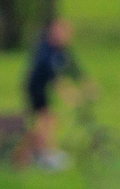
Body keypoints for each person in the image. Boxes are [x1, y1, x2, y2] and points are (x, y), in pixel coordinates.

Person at [21, 18, 82, 171]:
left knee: (47, 121)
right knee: (48, 121)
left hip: (42, 89)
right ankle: (46, 155)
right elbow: (48, 71)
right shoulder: (46, 49)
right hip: (35, 88)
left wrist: (85, 82)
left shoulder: (60, 49)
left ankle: (37, 153)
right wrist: (66, 92)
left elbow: (73, 67)